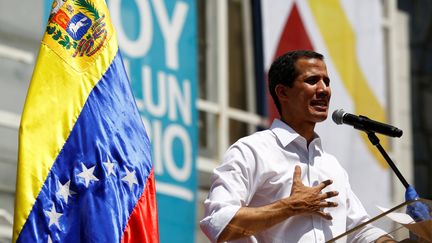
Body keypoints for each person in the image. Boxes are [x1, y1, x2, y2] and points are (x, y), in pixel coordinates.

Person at [200, 50, 394, 243]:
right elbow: (218, 223)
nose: (324, 89)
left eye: (326, 81)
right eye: (312, 81)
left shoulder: (331, 165)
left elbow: (359, 231)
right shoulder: (251, 151)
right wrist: (289, 207)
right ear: (283, 92)